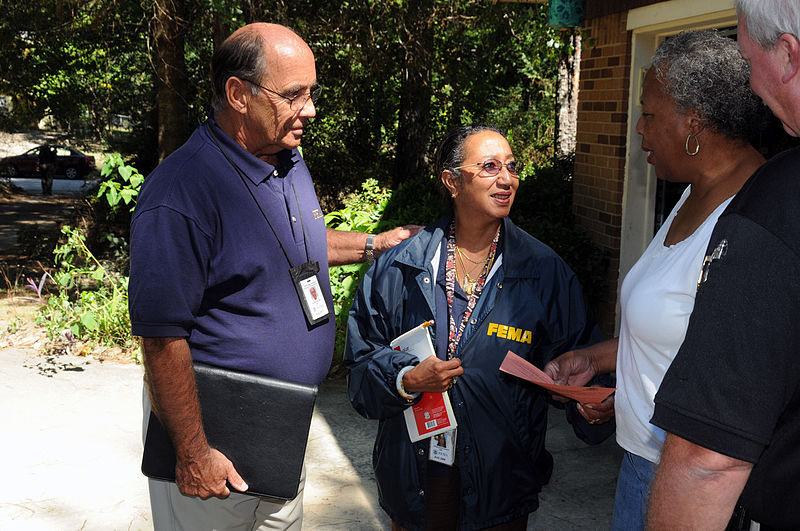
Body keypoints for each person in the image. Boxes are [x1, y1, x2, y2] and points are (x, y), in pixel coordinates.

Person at [128, 23, 418, 531]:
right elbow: (160, 338)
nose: (310, 110)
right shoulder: (181, 194)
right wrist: (194, 453)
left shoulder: (286, 158)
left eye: (312, 93)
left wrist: (375, 243)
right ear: (238, 94)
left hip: (280, 435)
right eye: (293, 95)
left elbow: (291, 246)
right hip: (214, 450)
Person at [543, 30, 767, 530]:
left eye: (649, 112)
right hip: (643, 460)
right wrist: (597, 361)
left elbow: (741, 379)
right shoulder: (692, 195)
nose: (639, 128)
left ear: (695, 123)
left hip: (694, 486)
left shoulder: (754, 222)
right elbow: (678, 333)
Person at [344, 124, 611, 530]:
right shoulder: (399, 268)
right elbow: (361, 375)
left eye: (511, 166)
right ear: (452, 181)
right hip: (416, 478)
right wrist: (406, 380)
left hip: (501, 482)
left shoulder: (543, 272)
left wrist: (590, 406)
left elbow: (582, 362)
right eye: (489, 167)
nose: (506, 179)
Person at [647, 2, 800, 529]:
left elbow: (707, 462)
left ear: (787, 56)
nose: (751, 84)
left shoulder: (770, 211)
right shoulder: (688, 203)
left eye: (748, 57)